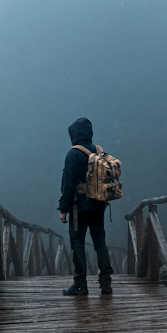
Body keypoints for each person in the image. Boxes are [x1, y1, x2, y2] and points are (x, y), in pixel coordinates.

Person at [58, 116, 113, 296]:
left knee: (78, 243)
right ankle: (106, 284)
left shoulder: (73, 154)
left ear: (74, 134)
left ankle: (80, 284)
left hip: (79, 207)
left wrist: (63, 209)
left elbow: (68, 184)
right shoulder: (99, 151)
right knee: (100, 242)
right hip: (99, 204)